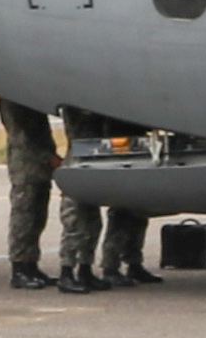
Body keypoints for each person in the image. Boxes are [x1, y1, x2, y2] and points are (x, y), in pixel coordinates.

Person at [55, 106, 155, 292]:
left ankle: (85, 270)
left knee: (92, 224)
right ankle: (66, 272)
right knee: (75, 221)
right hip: (80, 161)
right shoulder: (77, 105)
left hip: (94, 159)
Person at [0, 95, 59, 291]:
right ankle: (20, 268)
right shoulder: (14, 98)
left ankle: (31, 266)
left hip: (38, 164)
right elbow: (25, 134)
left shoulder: (28, 97)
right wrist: (48, 156)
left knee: (37, 217)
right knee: (24, 216)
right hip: (27, 164)